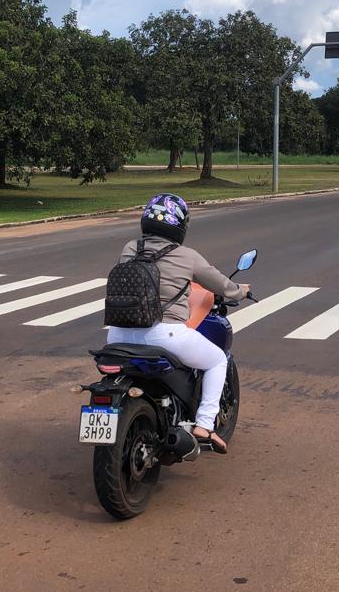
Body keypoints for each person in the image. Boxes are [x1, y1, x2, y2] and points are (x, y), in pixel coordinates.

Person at [106, 193, 249, 453]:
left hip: (117, 335)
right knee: (217, 360)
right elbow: (222, 285)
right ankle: (205, 425)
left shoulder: (129, 248)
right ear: (180, 225)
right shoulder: (187, 256)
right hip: (164, 335)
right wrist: (241, 290)